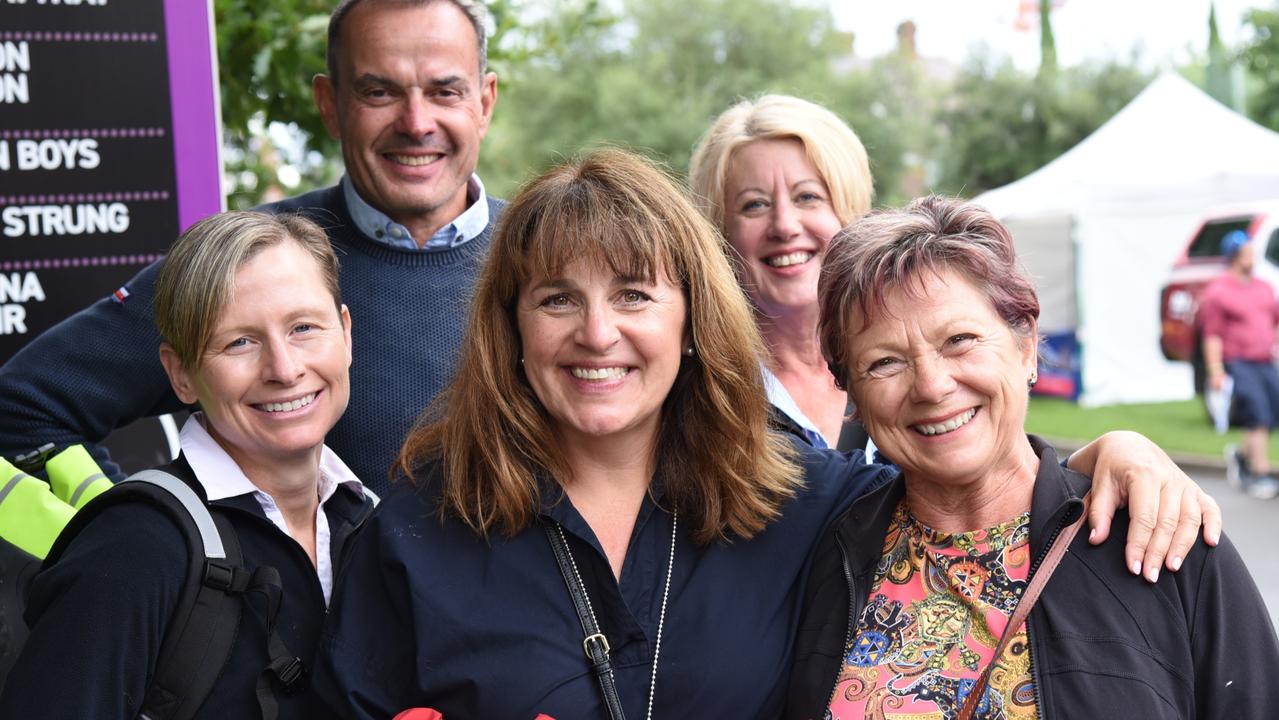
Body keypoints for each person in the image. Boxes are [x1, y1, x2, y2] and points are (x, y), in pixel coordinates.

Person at [315, 150, 1220, 719]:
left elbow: (963, 470)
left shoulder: (806, 503)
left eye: (634, 294)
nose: (597, 333)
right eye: (557, 300)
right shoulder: (423, 520)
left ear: (691, 319)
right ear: (511, 328)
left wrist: (1115, 454)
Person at [787, 197, 1279, 719]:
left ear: (1025, 346)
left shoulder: (1162, 534)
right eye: (885, 362)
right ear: (853, 396)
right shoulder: (825, 558)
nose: (932, 386)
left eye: (960, 340)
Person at [0, 0, 500, 495]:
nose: (415, 123)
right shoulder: (250, 265)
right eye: (378, 91)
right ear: (330, 104)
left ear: (485, 101)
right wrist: (135, 535)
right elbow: (19, 408)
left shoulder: (544, 254)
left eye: (444, 91)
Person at [0, 212, 375, 718]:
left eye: (304, 327)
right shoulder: (135, 548)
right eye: (239, 341)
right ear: (180, 374)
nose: (285, 369)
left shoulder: (370, 522)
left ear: (346, 334)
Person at [689, 94, 872, 452]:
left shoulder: (902, 366)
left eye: (807, 197)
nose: (784, 226)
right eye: (754, 204)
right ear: (720, 234)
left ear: (849, 213)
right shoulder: (701, 400)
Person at [1199, 229, 1279, 499]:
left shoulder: (1264, 287)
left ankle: (1241, 455)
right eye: (1247, 253)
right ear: (1234, 255)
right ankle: (1261, 472)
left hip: (1265, 361)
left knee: (1271, 414)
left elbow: (1275, 322)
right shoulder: (1219, 292)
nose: (1252, 257)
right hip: (1238, 362)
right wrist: (1216, 370)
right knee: (1256, 412)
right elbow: (1212, 335)